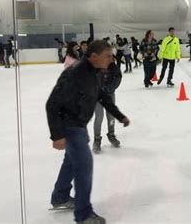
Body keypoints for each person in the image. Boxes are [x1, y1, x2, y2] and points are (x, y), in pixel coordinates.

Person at [46, 40, 130, 224]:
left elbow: (102, 96)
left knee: (70, 162)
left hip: (79, 124)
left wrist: (119, 115)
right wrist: (57, 135)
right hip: (69, 125)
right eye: (107, 56)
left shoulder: (96, 72)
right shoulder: (75, 73)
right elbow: (52, 103)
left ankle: (60, 196)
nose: (111, 59)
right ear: (94, 56)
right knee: (84, 166)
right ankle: (83, 215)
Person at [93, 55, 123, 153]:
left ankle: (111, 135)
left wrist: (109, 88)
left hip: (109, 95)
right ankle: (97, 139)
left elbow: (118, 77)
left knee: (111, 116)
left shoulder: (112, 65)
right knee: (99, 117)